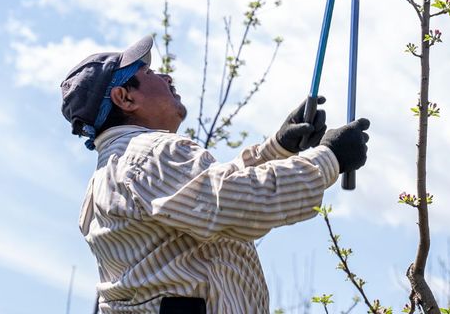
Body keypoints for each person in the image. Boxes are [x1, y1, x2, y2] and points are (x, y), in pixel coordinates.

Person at [60, 35, 370, 314]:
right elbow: (238, 203)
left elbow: (203, 200)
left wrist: (278, 148)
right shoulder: (149, 154)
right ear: (125, 98)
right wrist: (330, 158)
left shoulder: (111, 174)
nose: (166, 76)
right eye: (148, 73)